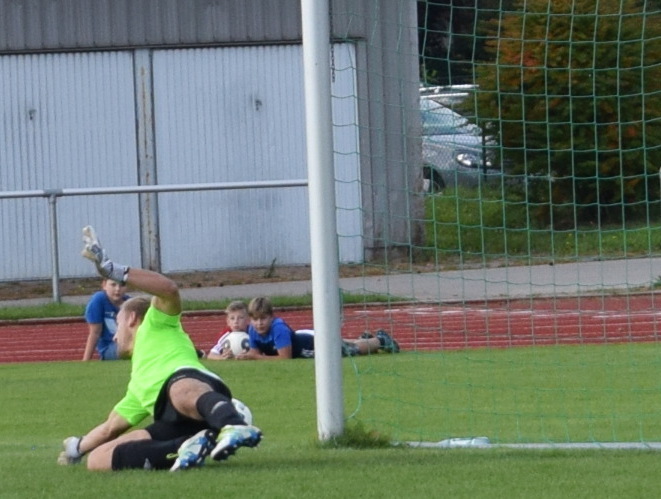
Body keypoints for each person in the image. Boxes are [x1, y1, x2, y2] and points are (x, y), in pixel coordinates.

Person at [57, 226, 262, 471]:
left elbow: (169, 289)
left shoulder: (156, 323)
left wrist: (113, 270)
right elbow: (109, 428)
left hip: (193, 389)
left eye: (118, 325)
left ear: (132, 319)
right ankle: (184, 447)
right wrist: (77, 448)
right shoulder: (137, 386)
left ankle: (233, 425)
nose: (114, 337)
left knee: (178, 389)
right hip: (178, 423)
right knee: (98, 459)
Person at [235, 296, 400, 361]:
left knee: (348, 350)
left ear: (271, 317)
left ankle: (380, 340)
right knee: (345, 346)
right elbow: (255, 353)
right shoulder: (252, 330)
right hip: (304, 341)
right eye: (255, 319)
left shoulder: (278, 329)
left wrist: (255, 357)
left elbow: (284, 358)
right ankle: (367, 340)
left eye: (263, 318)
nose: (259, 323)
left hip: (310, 345)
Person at [82, 279, 130, 361]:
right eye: (113, 285)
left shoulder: (131, 303)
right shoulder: (98, 300)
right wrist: (86, 360)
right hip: (109, 346)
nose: (118, 289)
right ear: (104, 285)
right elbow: (95, 333)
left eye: (122, 285)